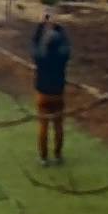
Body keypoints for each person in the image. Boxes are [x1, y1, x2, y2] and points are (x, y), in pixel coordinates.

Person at [32, 10, 71, 166]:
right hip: (58, 93)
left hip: (42, 93)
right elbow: (67, 45)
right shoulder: (62, 55)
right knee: (58, 125)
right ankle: (58, 155)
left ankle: (43, 157)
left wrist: (41, 25)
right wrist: (59, 27)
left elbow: (34, 42)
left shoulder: (40, 56)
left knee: (43, 126)